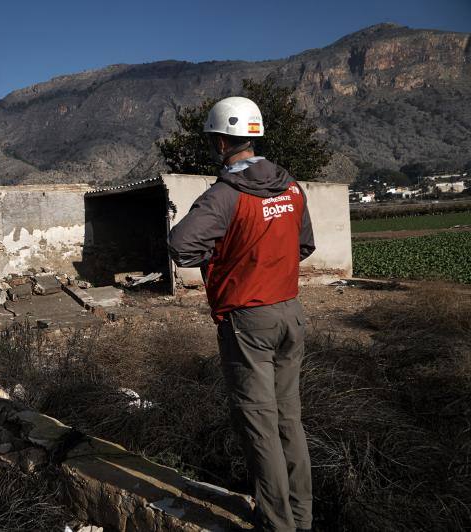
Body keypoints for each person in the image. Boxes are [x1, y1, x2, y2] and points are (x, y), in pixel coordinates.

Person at [168, 96, 315, 532]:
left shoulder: (224, 196)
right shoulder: (291, 188)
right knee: (289, 419)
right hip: (291, 313)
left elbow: (181, 246)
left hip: (249, 321)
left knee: (260, 425)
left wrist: (227, 259)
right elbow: (303, 246)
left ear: (219, 142)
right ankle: (301, 520)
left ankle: (275, 524)